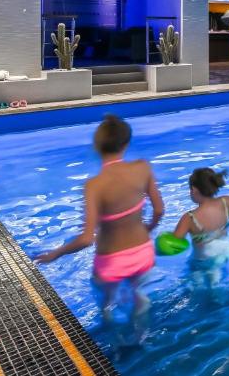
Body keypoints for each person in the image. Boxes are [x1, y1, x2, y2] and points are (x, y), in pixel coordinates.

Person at [35, 115, 164, 331]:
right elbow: (159, 209)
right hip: (143, 253)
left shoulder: (94, 185)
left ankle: (112, 331)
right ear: (126, 143)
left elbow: (86, 239)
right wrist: (148, 229)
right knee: (138, 293)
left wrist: (56, 253)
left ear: (96, 147)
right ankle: (142, 333)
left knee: (106, 301)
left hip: (111, 262)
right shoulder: (143, 167)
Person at [172, 168, 229, 286]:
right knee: (215, 275)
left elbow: (175, 241)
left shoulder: (189, 218)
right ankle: (215, 282)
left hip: (204, 258)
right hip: (226, 250)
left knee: (195, 277)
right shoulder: (227, 201)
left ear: (194, 190)